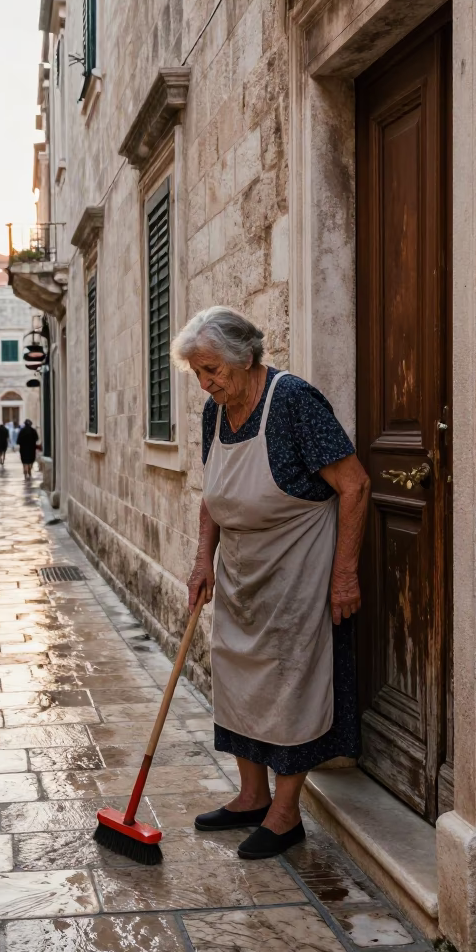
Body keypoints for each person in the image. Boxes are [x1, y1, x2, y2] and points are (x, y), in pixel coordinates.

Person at [175, 306, 370, 860]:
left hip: (297, 570)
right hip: (240, 573)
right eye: (198, 373)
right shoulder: (216, 413)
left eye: (212, 370)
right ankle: (251, 797)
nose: (206, 384)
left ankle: (285, 816)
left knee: (291, 686)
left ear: (245, 357)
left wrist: (345, 575)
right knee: (237, 677)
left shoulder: (294, 401)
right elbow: (213, 494)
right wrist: (202, 561)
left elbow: (354, 485)